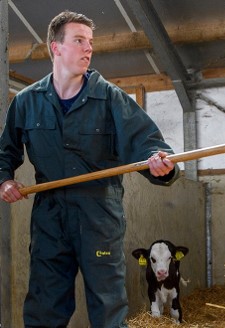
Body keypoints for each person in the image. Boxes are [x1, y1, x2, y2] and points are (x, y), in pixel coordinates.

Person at [0, 11, 179, 327]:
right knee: (43, 309)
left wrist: (159, 163)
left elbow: (149, 144)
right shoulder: (27, 102)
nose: (88, 49)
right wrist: (4, 181)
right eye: (79, 40)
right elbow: (5, 153)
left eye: (91, 42)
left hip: (99, 218)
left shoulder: (111, 99)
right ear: (56, 48)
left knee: (108, 311)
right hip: (50, 220)